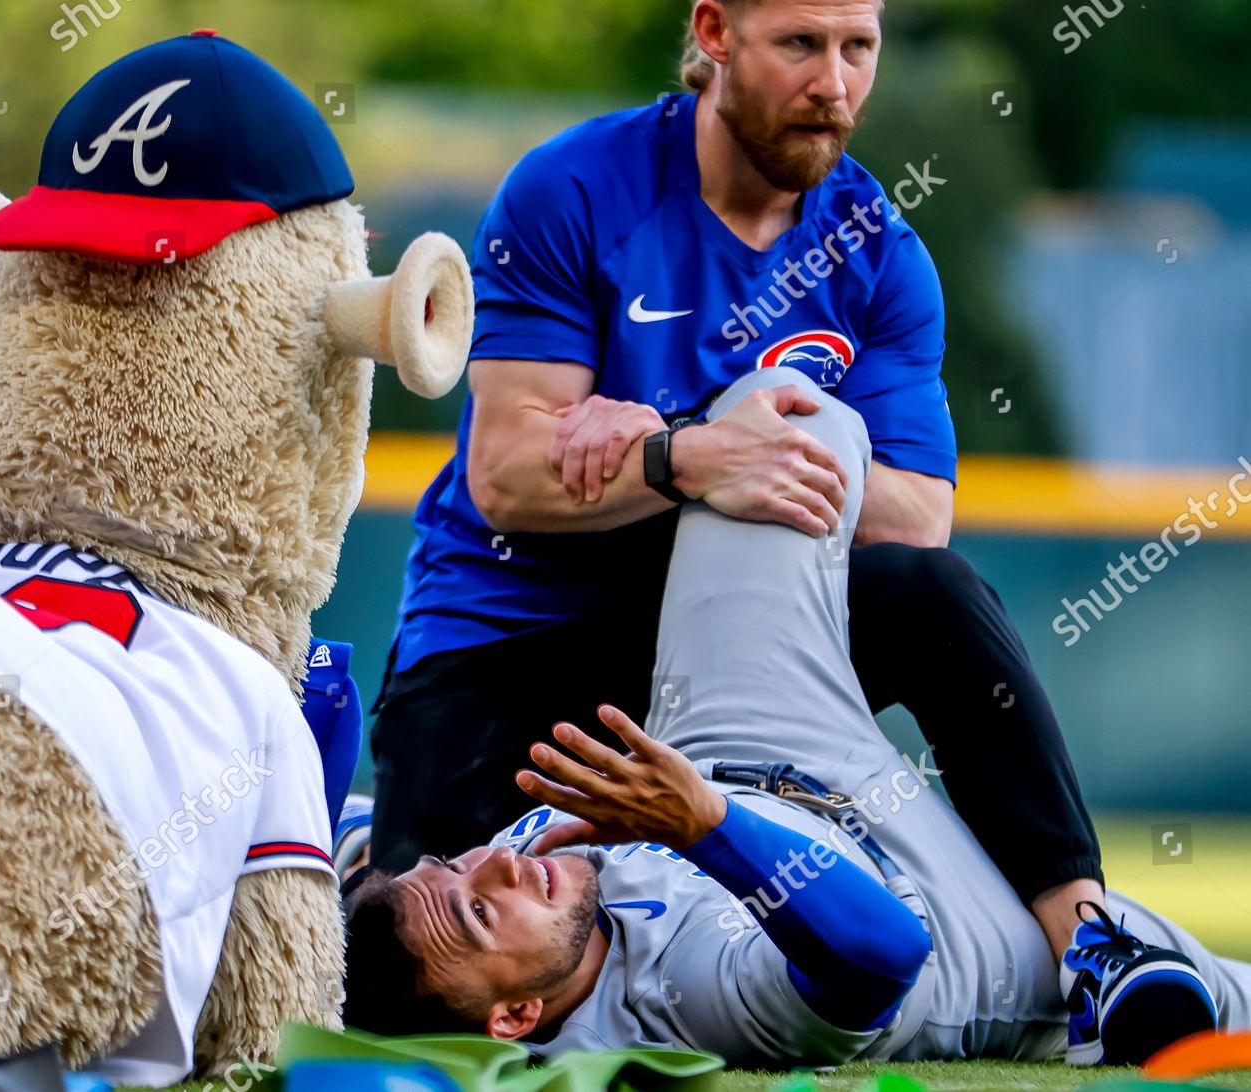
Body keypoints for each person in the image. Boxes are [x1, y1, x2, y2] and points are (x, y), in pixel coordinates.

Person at [370, 0, 1102, 971]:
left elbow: (918, 520)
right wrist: (695, 455)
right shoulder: (574, 187)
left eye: (858, 48)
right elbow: (507, 477)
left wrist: (681, 437)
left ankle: (1092, 941)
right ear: (715, 35)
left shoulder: (879, 250)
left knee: (935, 595)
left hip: (732, 631)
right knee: (429, 976)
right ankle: (354, 841)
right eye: (800, 43)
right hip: (514, 637)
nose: (834, 84)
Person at [344, 370, 1245, 1068]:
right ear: (515, 1019)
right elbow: (884, 953)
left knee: (785, 421)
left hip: (746, 747)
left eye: (456, 867)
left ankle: (683, 444)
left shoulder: (512, 886)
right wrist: (706, 825)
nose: (497, 863)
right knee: (1212, 1004)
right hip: (953, 915)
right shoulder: (681, 1001)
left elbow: (322, 841)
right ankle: (1089, 953)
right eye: (475, 914)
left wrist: (661, 443)